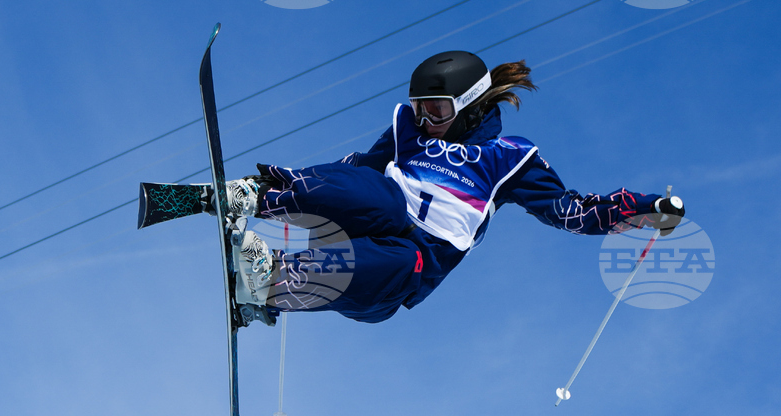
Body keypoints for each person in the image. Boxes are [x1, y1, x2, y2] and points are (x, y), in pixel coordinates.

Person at [223, 51, 685, 324]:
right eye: (420, 109)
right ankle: (255, 197)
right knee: (379, 191)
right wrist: (294, 186)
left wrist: (643, 210)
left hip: (385, 274)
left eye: (437, 112)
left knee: (408, 258)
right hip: (359, 223)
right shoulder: (411, 132)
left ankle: (272, 283)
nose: (427, 122)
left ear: (467, 107)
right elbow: (356, 169)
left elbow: (570, 211)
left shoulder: (509, 159)